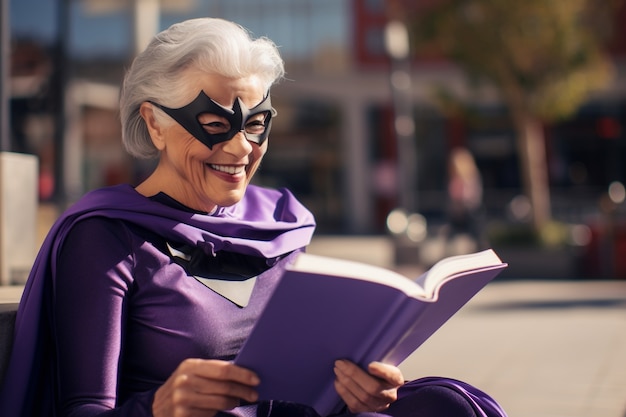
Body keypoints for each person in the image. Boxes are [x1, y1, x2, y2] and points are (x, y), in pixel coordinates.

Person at [0, 18, 507, 417]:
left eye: (257, 124)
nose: (241, 147)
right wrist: (157, 409)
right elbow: (84, 409)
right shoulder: (106, 237)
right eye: (216, 124)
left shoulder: (280, 220)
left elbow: (310, 381)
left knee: (449, 406)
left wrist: (359, 389)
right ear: (155, 124)